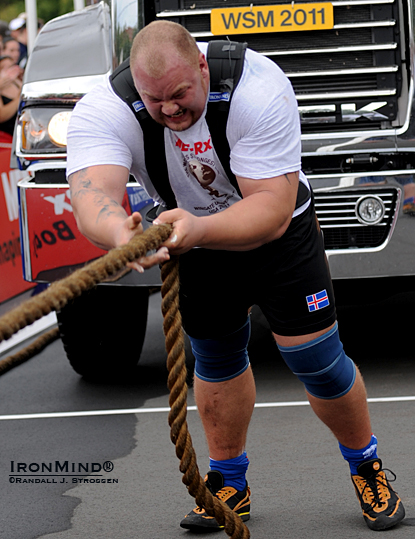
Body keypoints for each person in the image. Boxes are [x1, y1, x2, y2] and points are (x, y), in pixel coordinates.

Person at [66, 20, 405, 533]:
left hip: (276, 232)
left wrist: (198, 228)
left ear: (201, 66)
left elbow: (270, 209)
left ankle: (367, 466)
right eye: (155, 101)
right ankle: (229, 483)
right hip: (192, 236)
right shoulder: (103, 108)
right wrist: (122, 233)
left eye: (180, 94)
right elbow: (91, 196)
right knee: (216, 358)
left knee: (316, 360)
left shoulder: (258, 87)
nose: (171, 110)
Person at [0, 55, 21, 134]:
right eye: (4, 68)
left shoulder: (18, 83)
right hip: (7, 135)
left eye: (11, 66)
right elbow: (1, 116)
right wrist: (18, 99)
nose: (10, 71)